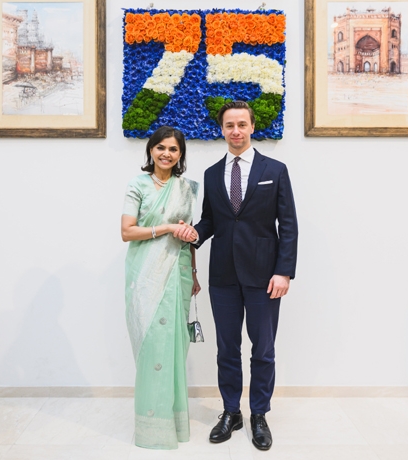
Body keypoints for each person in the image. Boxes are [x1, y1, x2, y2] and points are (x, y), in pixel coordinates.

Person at [174, 101, 298, 451]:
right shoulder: (213, 174)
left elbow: (288, 226)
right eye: (229, 125)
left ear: (252, 127)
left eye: (242, 124)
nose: (236, 131)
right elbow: (212, 221)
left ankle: (259, 413)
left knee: (264, 350)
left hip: (264, 277)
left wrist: (284, 271)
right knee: (227, 348)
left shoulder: (276, 169)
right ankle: (231, 411)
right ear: (222, 129)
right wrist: (193, 233)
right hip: (224, 276)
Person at [120, 125, 201, 450]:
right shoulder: (137, 185)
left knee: (175, 347)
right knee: (152, 344)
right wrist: (165, 227)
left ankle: (175, 424)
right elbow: (127, 232)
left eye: (174, 149)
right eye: (161, 147)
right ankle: (152, 428)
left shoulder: (186, 188)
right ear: (151, 150)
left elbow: (189, 236)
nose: (167, 153)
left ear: (180, 155)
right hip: (146, 274)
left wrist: (194, 274)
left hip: (178, 273)